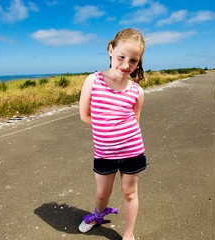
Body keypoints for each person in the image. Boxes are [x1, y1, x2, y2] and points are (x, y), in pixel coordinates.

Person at [78, 28, 147, 240]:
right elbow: (85, 115)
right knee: (102, 194)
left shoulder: (137, 90)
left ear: (138, 62)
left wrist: (119, 130)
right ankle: (98, 216)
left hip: (132, 151)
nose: (126, 65)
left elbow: (134, 121)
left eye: (133, 61)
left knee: (129, 193)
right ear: (110, 50)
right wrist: (107, 127)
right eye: (121, 57)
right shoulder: (93, 81)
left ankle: (128, 234)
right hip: (104, 153)